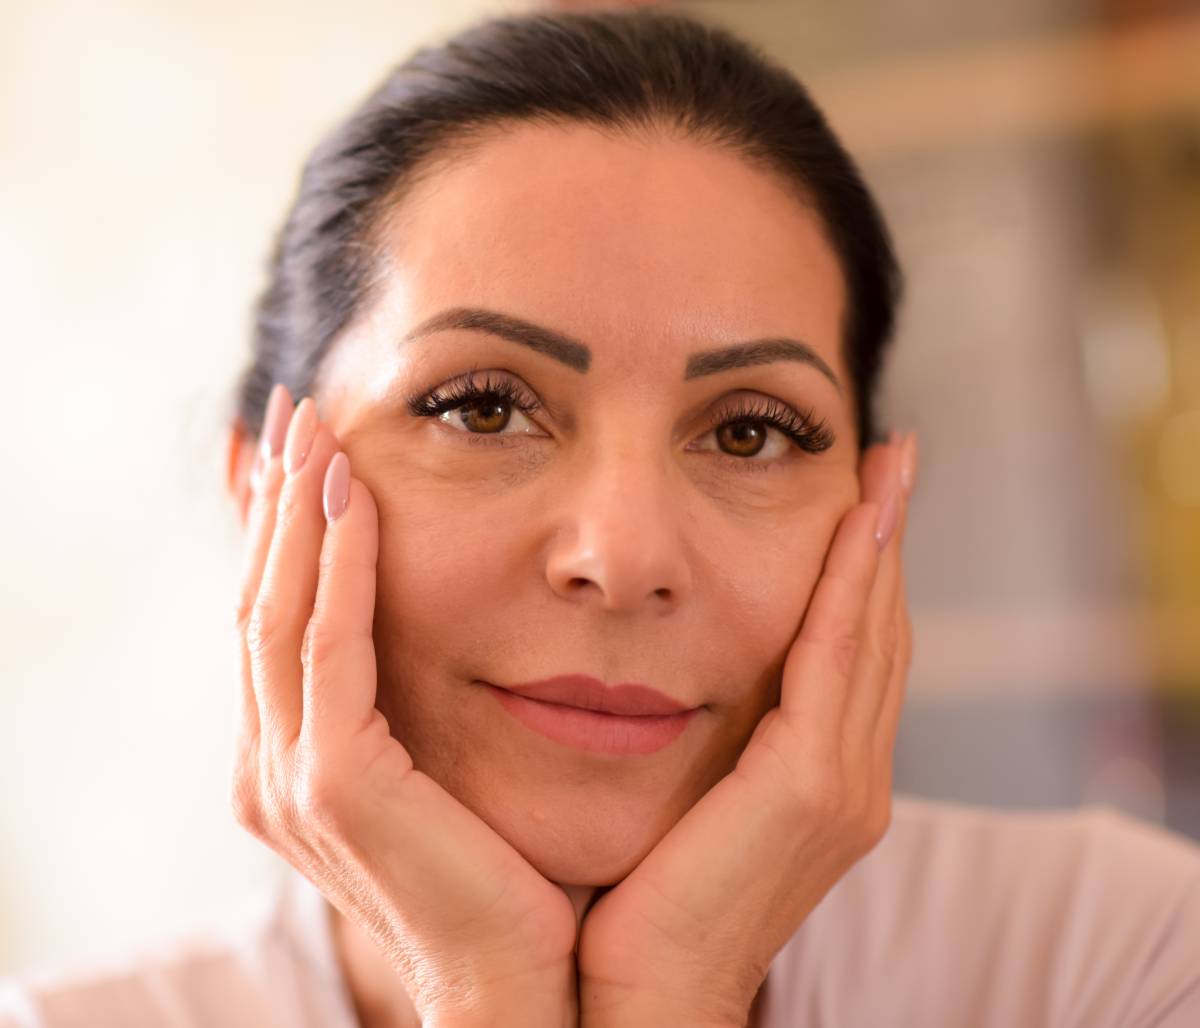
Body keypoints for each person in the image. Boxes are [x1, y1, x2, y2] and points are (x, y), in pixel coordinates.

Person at [3, 7, 1199, 1027]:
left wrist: (680, 985)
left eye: (749, 431)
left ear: (877, 508)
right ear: (260, 491)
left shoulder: (1120, 961)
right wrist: (477, 985)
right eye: (481, 408)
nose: (623, 558)